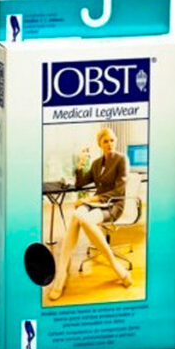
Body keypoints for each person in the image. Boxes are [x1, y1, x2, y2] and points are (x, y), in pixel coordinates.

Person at [48, 128, 133, 300]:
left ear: (115, 141)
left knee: (82, 219)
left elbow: (119, 190)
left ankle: (116, 267)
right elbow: (80, 183)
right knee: (77, 216)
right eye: (105, 141)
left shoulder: (121, 159)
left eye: (112, 140)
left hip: (113, 204)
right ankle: (61, 274)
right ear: (99, 144)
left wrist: (91, 199)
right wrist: (81, 163)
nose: (109, 144)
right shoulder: (96, 164)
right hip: (96, 204)